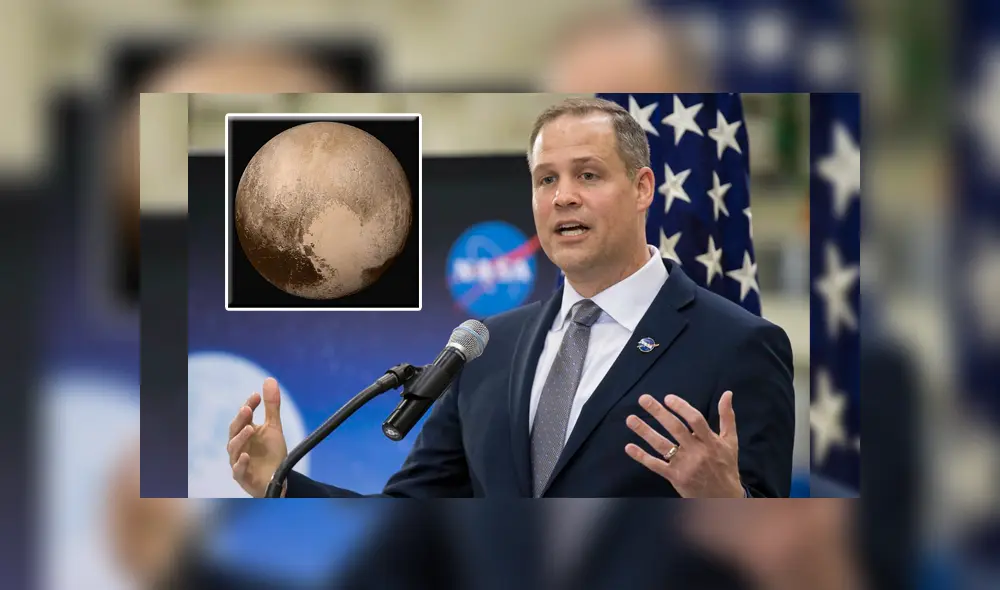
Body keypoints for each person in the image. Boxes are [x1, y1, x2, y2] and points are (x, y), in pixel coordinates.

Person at [227, 97, 796, 498]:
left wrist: (728, 505)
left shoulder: (738, 345)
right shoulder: (487, 349)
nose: (563, 197)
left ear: (643, 188)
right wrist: (281, 484)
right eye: (546, 179)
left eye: (589, 175)